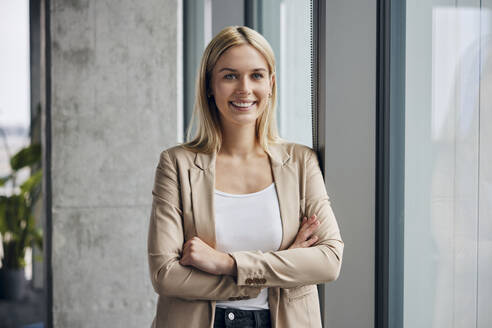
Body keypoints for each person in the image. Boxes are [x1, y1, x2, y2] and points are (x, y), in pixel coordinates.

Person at [147, 26, 344, 328]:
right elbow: (166, 275)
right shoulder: (177, 164)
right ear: (210, 85)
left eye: (256, 75)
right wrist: (263, 276)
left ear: (271, 84)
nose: (244, 89)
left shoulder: (300, 162)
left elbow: (329, 260)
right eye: (229, 76)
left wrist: (227, 263)